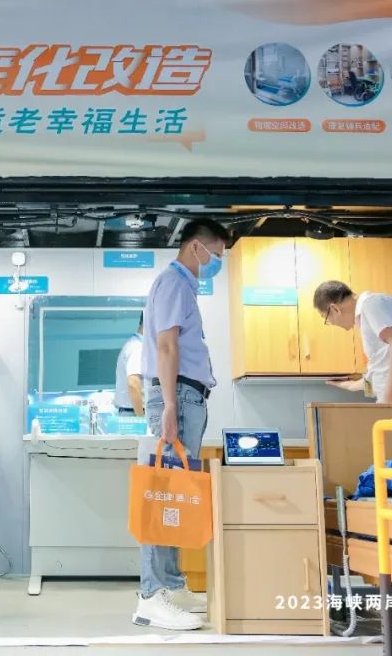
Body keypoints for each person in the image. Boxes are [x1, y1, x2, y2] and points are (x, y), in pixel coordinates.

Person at [132, 218, 229, 631]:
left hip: (188, 397)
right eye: (216, 255)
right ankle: (152, 595)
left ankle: (171, 584)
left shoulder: (183, 287)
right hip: (179, 398)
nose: (217, 263)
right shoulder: (173, 283)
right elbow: (167, 345)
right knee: (164, 495)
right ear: (196, 248)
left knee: (176, 497)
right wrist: (170, 404)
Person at [114, 315, 145, 417]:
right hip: (134, 412)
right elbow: (133, 383)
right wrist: (141, 417)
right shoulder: (137, 347)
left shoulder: (135, 345)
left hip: (132, 411)